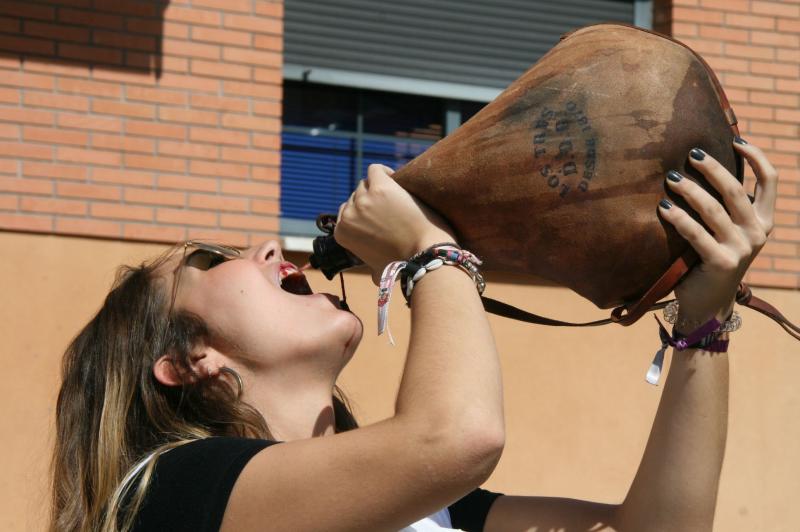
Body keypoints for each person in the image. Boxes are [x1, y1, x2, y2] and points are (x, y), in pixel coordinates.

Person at [50, 138, 776, 532]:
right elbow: (457, 437)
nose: (266, 248)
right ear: (184, 360)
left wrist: (703, 316)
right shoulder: (165, 497)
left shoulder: (431, 510)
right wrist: (427, 249)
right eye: (211, 262)